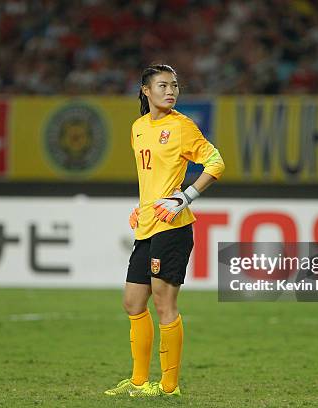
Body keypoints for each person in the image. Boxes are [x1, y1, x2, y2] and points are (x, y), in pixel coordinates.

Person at [104, 64, 225, 397]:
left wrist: (185, 197)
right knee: (132, 302)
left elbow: (215, 162)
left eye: (174, 86)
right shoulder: (138, 127)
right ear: (146, 90)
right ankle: (139, 381)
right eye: (163, 85)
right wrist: (142, 207)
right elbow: (151, 178)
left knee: (164, 305)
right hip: (147, 225)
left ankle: (169, 386)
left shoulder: (183, 127)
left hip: (173, 227)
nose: (171, 91)